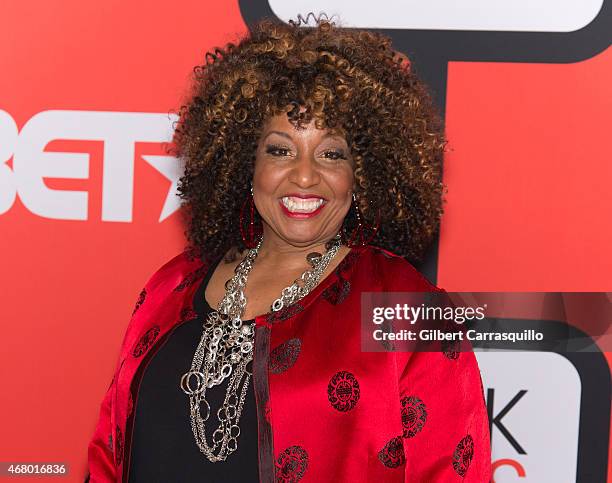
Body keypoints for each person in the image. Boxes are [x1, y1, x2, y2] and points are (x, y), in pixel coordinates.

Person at [86, 13, 491, 483]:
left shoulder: (406, 311)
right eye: (280, 150)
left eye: (331, 153)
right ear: (245, 163)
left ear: (363, 174)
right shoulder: (169, 288)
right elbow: (107, 457)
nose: (303, 175)